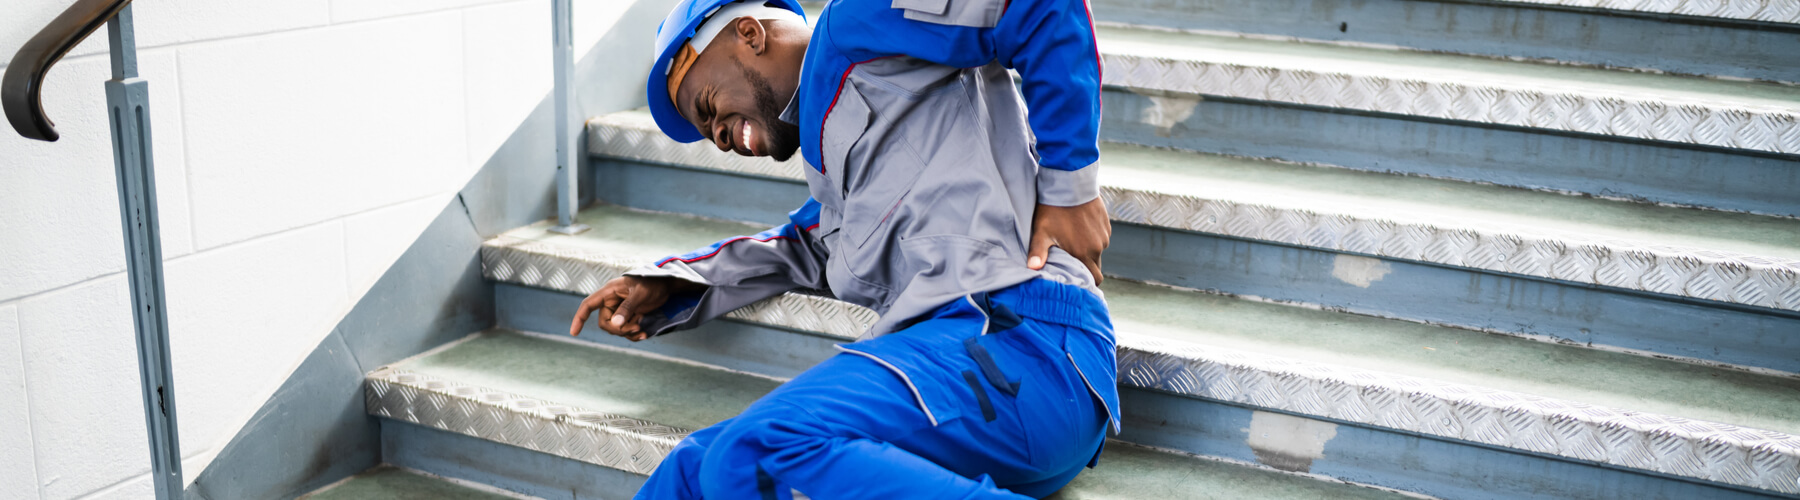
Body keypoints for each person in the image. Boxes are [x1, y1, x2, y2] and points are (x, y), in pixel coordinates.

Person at [569, 0, 1114, 497]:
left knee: (764, 445)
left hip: (1026, 344)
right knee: (692, 468)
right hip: (965, 388)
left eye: (708, 106)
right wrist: (668, 282)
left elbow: (1039, 6)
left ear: (750, 33)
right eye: (706, 128)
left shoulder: (854, 23)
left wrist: (1070, 189)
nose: (717, 135)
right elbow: (796, 248)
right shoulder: (834, 187)